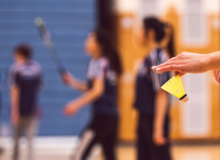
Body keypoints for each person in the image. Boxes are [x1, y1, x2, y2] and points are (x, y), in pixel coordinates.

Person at [62, 29, 122, 160]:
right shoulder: (102, 62)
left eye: (90, 39)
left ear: (99, 44)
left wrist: (75, 104)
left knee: (78, 155)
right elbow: (91, 87)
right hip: (112, 117)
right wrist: (72, 82)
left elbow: (97, 90)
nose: (86, 42)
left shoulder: (100, 62)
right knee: (110, 155)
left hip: (102, 118)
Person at [133, 17, 174, 160]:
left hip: (153, 119)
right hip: (145, 118)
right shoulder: (149, 57)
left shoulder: (157, 57)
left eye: (140, 29)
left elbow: (162, 94)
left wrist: (158, 128)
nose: (137, 34)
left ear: (149, 33)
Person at [8, 44, 43, 160]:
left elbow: (14, 90)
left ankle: (15, 158)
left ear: (19, 54)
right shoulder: (36, 67)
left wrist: (14, 109)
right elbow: (37, 89)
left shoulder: (16, 69)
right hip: (32, 108)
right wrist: (37, 106)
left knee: (16, 139)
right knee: (30, 140)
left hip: (20, 109)